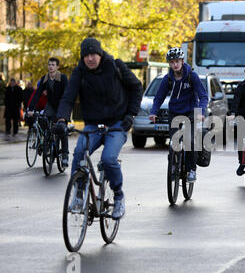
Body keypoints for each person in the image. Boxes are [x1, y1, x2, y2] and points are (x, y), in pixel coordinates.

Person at [56, 37, 143, 220]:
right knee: (80, 151)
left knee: (109, 159)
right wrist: (62, 119)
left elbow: (136, 87)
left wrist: (131, 115)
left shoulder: (115, 66)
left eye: (93, 54)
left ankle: (118, 196)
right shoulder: (79, 73)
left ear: (100, 53)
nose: (90, 58)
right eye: (86, 55)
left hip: (117, 123)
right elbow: (68, 98)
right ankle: (78, 194)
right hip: (93, 124)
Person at [148, 47, 208, 183]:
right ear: (169, 64)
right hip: (175, 112)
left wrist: (201, 112)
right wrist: (153, 112)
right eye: (172, 62)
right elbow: (159, 97)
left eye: (177, 61)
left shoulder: (192, 76)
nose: (175, 64)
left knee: (190, 141)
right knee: (173, 143)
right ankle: (174, 166)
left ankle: (191, 170)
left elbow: (203, 96)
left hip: (191, 112)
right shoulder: (168, 78)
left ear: (182, 61)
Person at [28, 58, 70, 166]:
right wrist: (31, 109)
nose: (50, 66)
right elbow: (37, 94)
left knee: (62, 128)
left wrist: (64, 114)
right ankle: (46, 143)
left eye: (53, 65)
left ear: (57, 67)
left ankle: (65, 154)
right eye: (49, 64)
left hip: (62, 105)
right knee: (43, 120)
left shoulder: (63, 78)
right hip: (51, 105)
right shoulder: (45, 79)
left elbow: (67, 95)